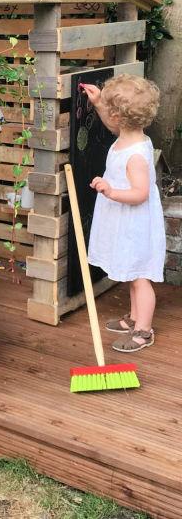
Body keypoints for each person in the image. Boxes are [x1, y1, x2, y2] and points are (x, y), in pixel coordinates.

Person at [82, 74, 165, 352]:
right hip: (125, 221)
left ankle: (144, 330)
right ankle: (133, 318)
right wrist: (98, 104)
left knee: (140, 277)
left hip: (135, 224)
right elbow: (113, 125)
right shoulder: (129, 136)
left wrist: (110, 190)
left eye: (109, 110)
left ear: (118, 116)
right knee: (131, 273)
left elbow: (140, 193)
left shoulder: (136, 156)